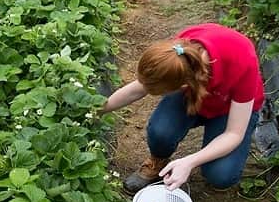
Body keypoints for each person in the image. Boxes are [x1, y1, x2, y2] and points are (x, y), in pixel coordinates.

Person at [102, 22, 264, 193]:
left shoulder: (241, 59)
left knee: (221, 175)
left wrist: (190, 161)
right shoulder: (178, 55)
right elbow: (138, 89)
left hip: (230, 108)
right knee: (160, 132)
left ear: (183, 85)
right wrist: (97, 109)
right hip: (193, 95)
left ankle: (212, 154)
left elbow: (233, 134)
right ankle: (158, 162)